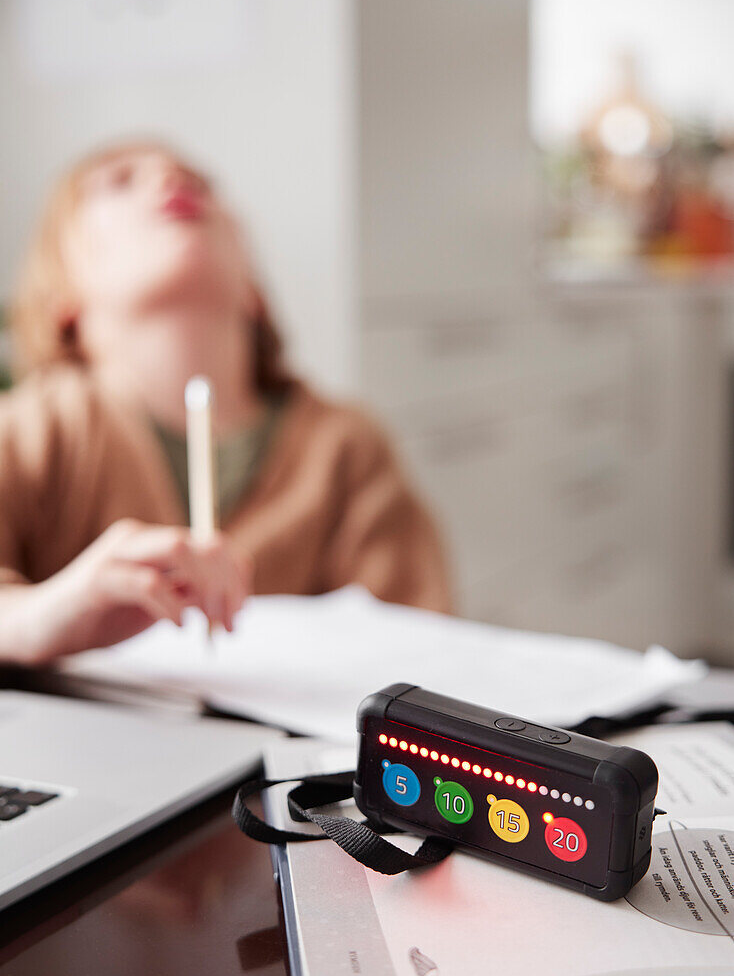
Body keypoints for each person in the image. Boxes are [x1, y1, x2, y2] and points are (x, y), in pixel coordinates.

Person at [0, 141, 450, 664]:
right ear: (61, 294)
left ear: (252, 290)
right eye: (119, 180)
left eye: (202, 182)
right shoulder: (30, 431)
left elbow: (420, 655)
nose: (170, 177)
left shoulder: (345, 448)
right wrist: (40, 617)